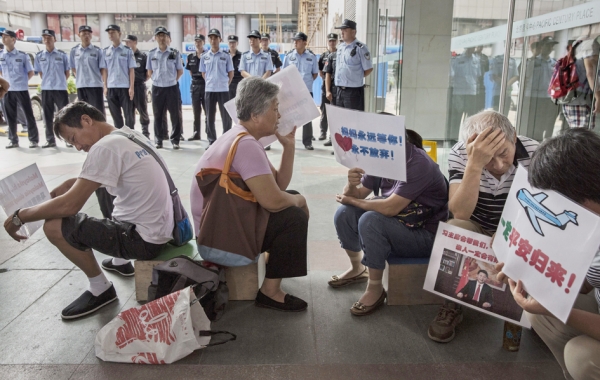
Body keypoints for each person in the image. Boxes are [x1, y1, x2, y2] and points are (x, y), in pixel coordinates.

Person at [2, 101, 174, 320]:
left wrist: (20, 216)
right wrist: (74, 181)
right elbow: (123, 172)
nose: (78, 147)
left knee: (54, 225)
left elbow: (69, 206)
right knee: (100, 189)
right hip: (161, 230)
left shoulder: (104, 147)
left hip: (141, 240)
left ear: (86, 120)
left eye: (73, 139)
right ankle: (120, 262)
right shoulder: (128, 135)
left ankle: (100, 287)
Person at [190, 77, 309, 311]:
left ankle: (273, 265)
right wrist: (299, 201)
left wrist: (289, 147)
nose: (280, 116)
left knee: (290, 200)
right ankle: (270, 293)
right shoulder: (246, 145)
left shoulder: (240, 136)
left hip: (216, 230)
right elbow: (273, 201)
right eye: (275, 109)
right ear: (256, 115)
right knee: (294, 216)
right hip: (219, 241)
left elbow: (278, 185)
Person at [427, 110, 539, 343]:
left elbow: (541, 210)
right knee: (455, 226)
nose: (498, 165)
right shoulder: (460, 153)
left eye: (504, 154)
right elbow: (461, 212)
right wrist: (475, 165)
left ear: (515, 137)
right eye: (489, 157)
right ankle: (452, 304)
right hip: (478, 225)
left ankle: (535, 311)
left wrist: (512, 230)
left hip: (519, 229)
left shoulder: (536, 153)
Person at [497, 128, 600, 380]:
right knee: (537, 303)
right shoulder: (590, 219)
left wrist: (555, 309)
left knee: (581, 356)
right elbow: (588, 281)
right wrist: (527, 271)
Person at [331, 127, 448, 316]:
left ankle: (375, 289)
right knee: (345, 213)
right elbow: (359, 194)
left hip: (426, 235)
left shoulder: (418, 163)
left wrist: (352, 200)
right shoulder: (382, 157)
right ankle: (357, 268)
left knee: (370, 220)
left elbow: (389, 208)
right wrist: (351, 185)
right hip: (401, 223)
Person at [0, 29, 40, 149]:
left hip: (21, 89)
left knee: (28, 115)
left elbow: (31, 72)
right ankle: (13, 140)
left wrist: (22, 82)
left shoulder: (22, 55)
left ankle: (33, 139)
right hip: (7, 91)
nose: (3, 38)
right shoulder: (1, 55)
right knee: (10, 116)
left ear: (13, 39)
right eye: (3, 36)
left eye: (6, 37)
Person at [146, 26, 183, 149]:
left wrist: (172, 80)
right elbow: (149, 71)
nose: (161, 38)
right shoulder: (151, 54)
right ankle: (159, 140)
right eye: (159, 35)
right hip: (157, 88)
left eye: (164, 35)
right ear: (156, 38)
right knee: (158, 115)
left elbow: (180, 71)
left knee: (175, 115)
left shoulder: (174, 53)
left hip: (171, 87)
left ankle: (175, 140)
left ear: (167, 37)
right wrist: (158, 80)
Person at [34, 29, 71, 148]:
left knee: (64, 116)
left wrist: (59, 82)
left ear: (54, 39)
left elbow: (67, 73)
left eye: (49, 37)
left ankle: (67, 139)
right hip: (46, 89)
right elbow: (40, 73)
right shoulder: (39, 56)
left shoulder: (62, 55)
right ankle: (50, 140)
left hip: (60, 89)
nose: (46, 39)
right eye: (44, 37)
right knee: (47, 115)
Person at [282, 31, 318, 150]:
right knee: (291, 116)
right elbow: (284, 74)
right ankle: (288, 140)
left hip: (306, 91)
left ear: (304, 42)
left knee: (307, 116)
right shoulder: (289, 56)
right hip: (292, 91)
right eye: (295, 41)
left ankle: (307, 141)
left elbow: (315, 74)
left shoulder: (311, 57)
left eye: (298, 40)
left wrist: (304, 84)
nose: (295, 43)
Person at [200, 28, 234, 145]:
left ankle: (226, 140)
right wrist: (211, 82)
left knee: (226, 117)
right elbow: (203, 73)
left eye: (216, 38)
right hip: (209, 90)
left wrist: (225, 83)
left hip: (223, 90)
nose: (213, 40)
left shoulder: (226, 56)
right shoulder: (204, 56)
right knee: (209, 116)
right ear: (209, 40)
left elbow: (231, 73)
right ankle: (211, 141)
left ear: (220, 39)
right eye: (211, 38)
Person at [333, 19, 373, 111]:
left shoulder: (361, 48)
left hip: (353, 91)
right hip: (339, 90)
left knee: (353, 121)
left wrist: (355, 76)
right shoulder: (340, 48)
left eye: (345, 30)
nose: (342, 33)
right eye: (341, 30)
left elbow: (368, 68)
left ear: (353, 32)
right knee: (340, 120)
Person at [562, 35, 599, 129]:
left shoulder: (579, 43)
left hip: (573, 99)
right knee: (583, 138)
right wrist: (598, 97)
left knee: (578, 136)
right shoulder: (590, 45)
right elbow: (590, 73)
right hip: (581, 101)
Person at [103, 25, 136, 130]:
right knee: (115, 115)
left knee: (128, 115)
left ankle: (130, 136)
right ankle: (120, 136)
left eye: (113, 32)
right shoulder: (105, 51)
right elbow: (105, 70)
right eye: (109, 33)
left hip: (124, 86)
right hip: (111, 86)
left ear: (119, 34)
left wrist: (131, 87)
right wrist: (105, 86)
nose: (111, 34)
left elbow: (131, 70)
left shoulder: (127, 51)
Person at [70, 25, 106, 116]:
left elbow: (103, 69)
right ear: (79, 35)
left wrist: (104, 84)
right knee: (83, 113)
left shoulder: (97, 51)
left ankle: (101, 130)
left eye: (88, 34)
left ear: (91, 35)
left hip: (95, 86)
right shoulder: (74, 51)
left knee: (98, 112)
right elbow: (73, 68)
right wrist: (79, 77)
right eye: (84, 34)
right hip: (81, 86)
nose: (86, 36)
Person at [448, 47, 482, 141]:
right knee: (457, 117)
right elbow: (451, 76)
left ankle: (469, 139)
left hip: (472, 92)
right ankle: (453, 139)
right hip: (459, 92)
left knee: (471, 118)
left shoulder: (477, 60)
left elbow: (478, 76)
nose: (472, 49)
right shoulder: (457, 60)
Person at [123, 34, 150, 139]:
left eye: (129, 42)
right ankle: (130, 132)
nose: (127, 44)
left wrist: (139, 80)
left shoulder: (142, 56)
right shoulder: (124, 55)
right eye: (125, 42)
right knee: (129, 111)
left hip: (139, 86)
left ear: (135, 42)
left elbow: (147, 74)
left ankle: (145, 133)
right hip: (127, 87)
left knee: (142, 109)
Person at [185, 34, 207, 141]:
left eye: (200, 41)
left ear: (203, 42)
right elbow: (190, 72)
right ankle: (196, 133)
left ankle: (209, 133)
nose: (198, 43)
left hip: (206, 85)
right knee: (196, 111)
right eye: (196, 41)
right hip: (195, 86)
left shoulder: (208, 55)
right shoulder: (190, 57)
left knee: (208, 111)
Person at [318, 33, 338, 144]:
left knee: (334, 112)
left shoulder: (339, 54)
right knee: (324, 110)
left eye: (334, 41)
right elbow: (321, 71)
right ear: (328, 42)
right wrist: (327, 82)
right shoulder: (323, 56)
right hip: (325, 87)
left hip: (336, 87)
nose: (332, 42)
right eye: (330, 41)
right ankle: (323, 132)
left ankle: (333, 136)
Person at [227, 35, 243, 100]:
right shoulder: (225, 56)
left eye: (233, 42)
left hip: (239, 83)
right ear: (228, 43)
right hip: (228, 83)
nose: (232, 45)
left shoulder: (242, 56)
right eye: (230, 43)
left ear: (237, 43)